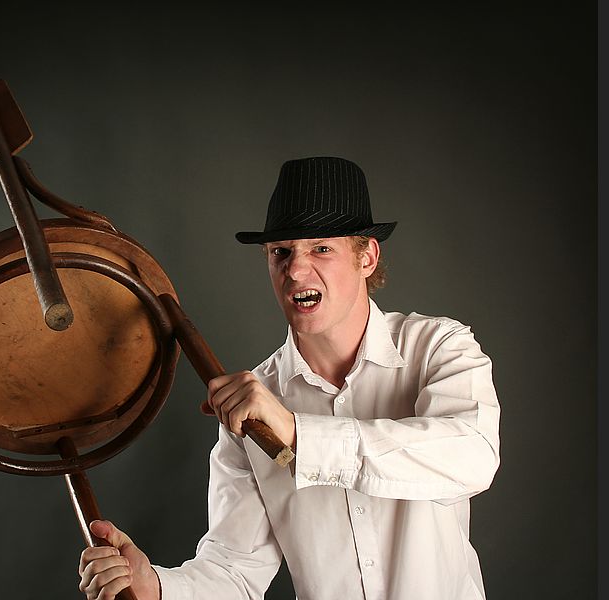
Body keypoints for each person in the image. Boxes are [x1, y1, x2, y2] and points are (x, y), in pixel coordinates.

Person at [78, 156, 501, 600]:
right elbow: (234, 571)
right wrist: (156, 587)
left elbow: (472, 455)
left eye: (321, 248)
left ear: (367, 257)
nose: (296, 271)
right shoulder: (252, 408)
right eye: (282, 252)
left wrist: (298, 434)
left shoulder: (438, 346)